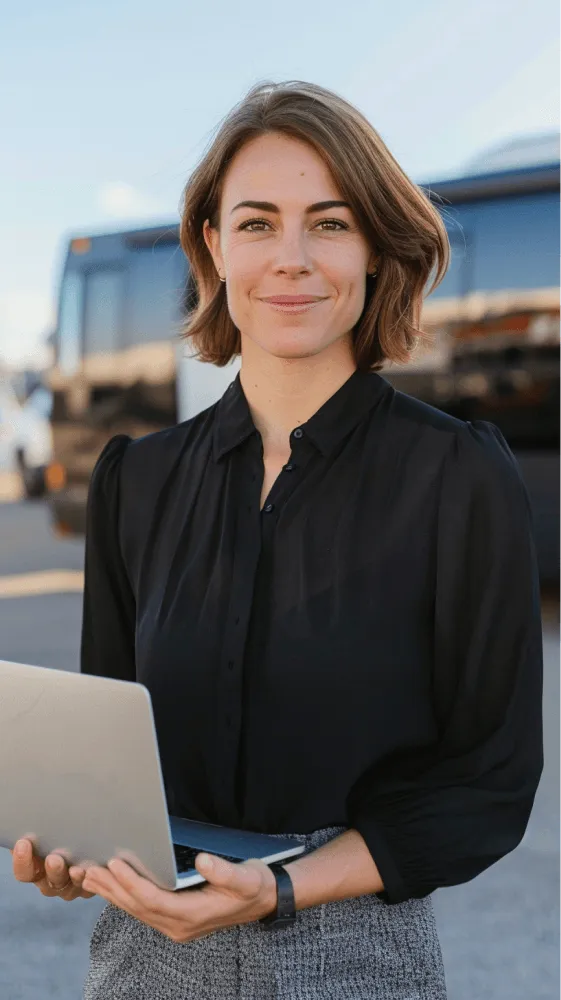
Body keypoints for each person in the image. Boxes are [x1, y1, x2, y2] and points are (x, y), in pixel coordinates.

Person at [12, 80, 543, 1000]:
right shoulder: (133, 481)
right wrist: (73, 846)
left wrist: (283, 887)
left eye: (329, 223)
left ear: (374, 249)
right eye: (256, 224)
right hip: (146, 959)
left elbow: (486, 785)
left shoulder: (457, 477)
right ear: (213, 249)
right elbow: (104, 753)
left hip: (352, 963)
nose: (290, 258)